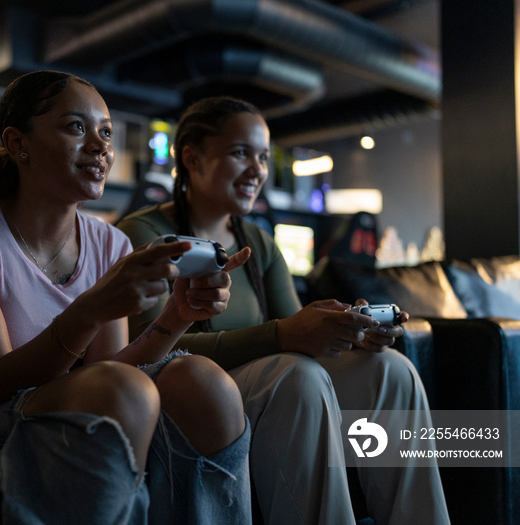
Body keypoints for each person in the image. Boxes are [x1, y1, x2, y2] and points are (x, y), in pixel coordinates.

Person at [0, 72, 253, 524]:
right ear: (18, 142)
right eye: (76, 127)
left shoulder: (109, 243)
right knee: (123, 390)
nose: (101, 146)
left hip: (63, 404)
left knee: (205, 382)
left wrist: (178, 315)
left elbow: (114, 372)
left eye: (105, 132)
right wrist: (94, 306)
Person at [116, 96, 451, 525]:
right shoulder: (145, 233)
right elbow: (150, 356)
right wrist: (283, 336)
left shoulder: (258, 241)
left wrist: (348, 333)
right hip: (193, 398)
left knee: (390, 370)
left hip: (263, 389)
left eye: (262, 156)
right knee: (298, 375)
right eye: (241, 153)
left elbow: (296, 331)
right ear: (193, 159)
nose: (258, 170)